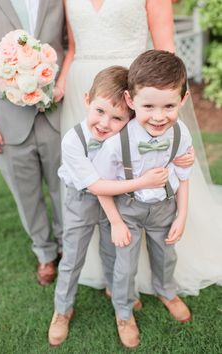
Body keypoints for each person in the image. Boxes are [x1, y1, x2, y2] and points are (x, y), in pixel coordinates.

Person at [55, 0, 222, 296]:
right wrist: (57, 86)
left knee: (138, 161)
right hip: (87, 91)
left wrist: (165, 115)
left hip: (136, 88)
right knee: (95, 172)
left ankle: (150, 268)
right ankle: (107, 265)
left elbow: (165, 48)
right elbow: (72, 50)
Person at [48, 66, 169, 347]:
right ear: (87, 99)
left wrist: (182, 159)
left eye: (117, 118)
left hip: (115, 203)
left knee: (113, 251)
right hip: (81, 200)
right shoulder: (72, 141)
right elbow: (96, 186)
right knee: (72, 256)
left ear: (129, 118)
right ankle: (62, 309)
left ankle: (117, 293)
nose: (105, 123)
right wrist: (141, 183)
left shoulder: (126, 138)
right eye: (100, 111)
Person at [93, 50, 192, 348]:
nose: (159, 116)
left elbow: (183, 176)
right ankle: (123, 311)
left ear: (183, 100)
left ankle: (166, 290)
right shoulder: (116, 143)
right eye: (148, 106)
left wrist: (182, 214)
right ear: (130, 100)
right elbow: (100, 186)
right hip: (127, 210)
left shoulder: (180, 133)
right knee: (125, 265)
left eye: (169, 106)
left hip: (165, 206)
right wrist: (116, 223)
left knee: (166, 256)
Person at [0, 0, 67, 285]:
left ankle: (66, 245)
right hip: (4, 116)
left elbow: (69, 44)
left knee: (64, 186)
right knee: (26, 193)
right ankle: (44, 252)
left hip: (55, 109)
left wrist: (62, 82)